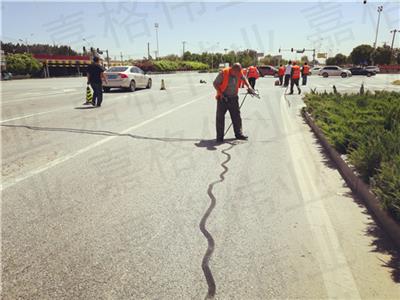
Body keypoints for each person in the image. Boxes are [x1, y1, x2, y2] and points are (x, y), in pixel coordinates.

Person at [213, 63, 255, 143]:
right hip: (223, 99)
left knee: (236, 117)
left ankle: (238, 134)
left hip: (234, 98)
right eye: (237, 72)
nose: (238, 74)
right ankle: (219, 137)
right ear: (232, 69)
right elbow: (215, 83)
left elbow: (244, 78)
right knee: (220, 118)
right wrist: (221, 94)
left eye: (239, 72)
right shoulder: (223, 73)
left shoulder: (238, 72)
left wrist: (249, 86)